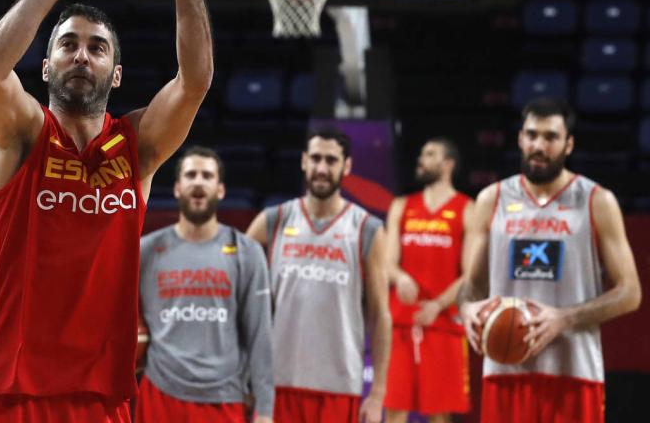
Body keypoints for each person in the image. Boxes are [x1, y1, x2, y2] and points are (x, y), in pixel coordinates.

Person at [0, 0, 213, 422]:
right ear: (45, 66)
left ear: (115, 74)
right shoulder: (23, 135)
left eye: (97, 48)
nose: (81, 55)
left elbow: (193, 82)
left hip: (99, 391)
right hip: (6, 385)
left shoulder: (137, 147)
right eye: (67, 44)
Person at [459, 98, 642, 423]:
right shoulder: (491, 200)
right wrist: (467, 308)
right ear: (519, 139)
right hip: (506, 370)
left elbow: (630, 293)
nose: (538, 145)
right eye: (531, 135)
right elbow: (472, 285)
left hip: (574, 372)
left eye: (550, 137)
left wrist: (564, 318)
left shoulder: (596, 201)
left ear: (568, 144)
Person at [247, 126, 391, 423]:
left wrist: (377, 394)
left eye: (331, 160)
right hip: (277, 382)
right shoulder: (274, 220)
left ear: (346, 166)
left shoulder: (367, 229)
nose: (322, 168)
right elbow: (239, 292)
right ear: (303, 161)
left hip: (339, 386)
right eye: (315, 158)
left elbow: (380, 315)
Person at [136, 146, 273, 423]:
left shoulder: (247, 251)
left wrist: (266, 410)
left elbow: (260, 337)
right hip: (159, 395)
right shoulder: (145, 250)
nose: (198, 181)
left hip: (224, 398)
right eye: (191, 175)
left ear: (220, 190)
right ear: (177, 188)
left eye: (207, 175)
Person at [384, 138, 474, 423]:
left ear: (448, 164)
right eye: (422, 153)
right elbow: (386, 263)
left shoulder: (467, 208)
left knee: (439, 413)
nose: (421, 159)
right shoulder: (401, 206)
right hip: (401, 321)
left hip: (443, 322)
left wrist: (438, 304)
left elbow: (470, 274)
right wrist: (399, 278)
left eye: (430, 154)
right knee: (394, 409)